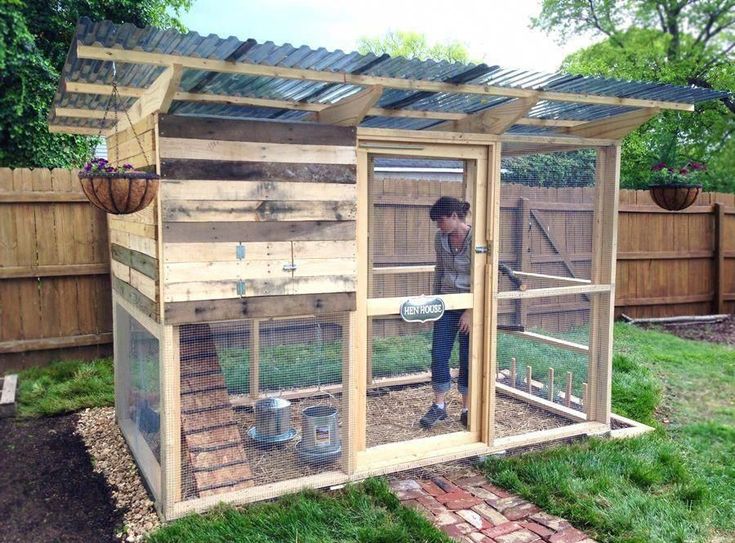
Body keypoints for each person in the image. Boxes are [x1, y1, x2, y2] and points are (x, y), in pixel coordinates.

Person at [420, 196, 472, 429]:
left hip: (472, 304)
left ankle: (467, 408)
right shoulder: (440, 238)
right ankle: (439, 407)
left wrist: (471, 311)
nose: (438, 226)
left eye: (440, 221)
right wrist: (434, 303)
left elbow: (484, 276)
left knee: (468, 356)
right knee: (439, 354)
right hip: (447, 303)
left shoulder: (477, 238)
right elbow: (439, 270)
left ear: (453, 216)